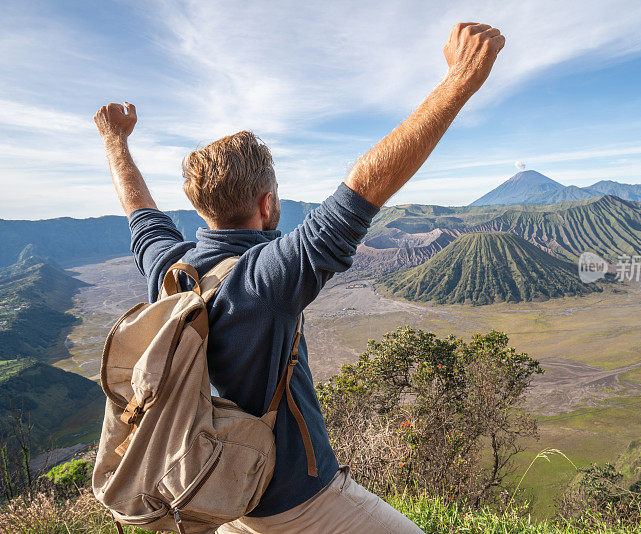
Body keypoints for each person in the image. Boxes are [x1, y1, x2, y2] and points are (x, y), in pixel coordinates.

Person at [93, 22, 505, 534]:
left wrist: (114, 140)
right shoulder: (266, 280)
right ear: (267, 205)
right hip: (298, 506)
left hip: (218, 494)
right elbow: (364, 187)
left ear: (201, 210)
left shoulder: (171, 272)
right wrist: (460, 79)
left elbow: (140, 211)